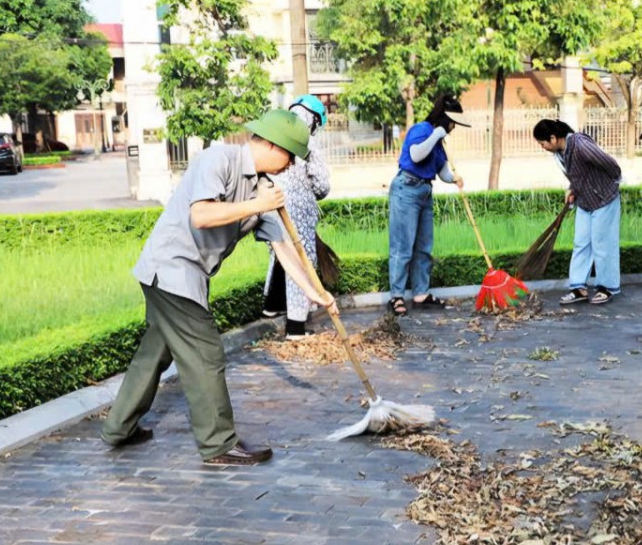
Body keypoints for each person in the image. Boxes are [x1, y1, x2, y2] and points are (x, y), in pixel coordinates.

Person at [102, 110, 338, 466]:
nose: (290, 166)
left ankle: (119, 427)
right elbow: (202, 214)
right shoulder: (217, 160)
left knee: (155, 353)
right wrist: (260, 204)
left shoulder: (263, 188)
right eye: (290, 156)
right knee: (205, 354)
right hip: (170, 270)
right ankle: (218, 444)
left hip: (186, 276)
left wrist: (314, 292)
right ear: (272, 145)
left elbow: (283, 250)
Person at [388, 93, 468, 316]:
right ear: (444, 119)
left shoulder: (440, 142)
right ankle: (396, 296)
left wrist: (453, 178)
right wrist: (436, 135)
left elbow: (441, 170)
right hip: (406, 189)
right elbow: (415, 156)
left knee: (424, 247)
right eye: (452, 123)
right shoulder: (422, 130)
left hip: (424, 192)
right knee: (402, 247)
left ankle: (421, 294)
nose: (453, 127)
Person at [263, 95, 331, 340]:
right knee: (301, 262)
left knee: (279, 256)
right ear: (314, 120)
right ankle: (296, 327)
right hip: (298, 209)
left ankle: (271, 307)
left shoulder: (275, 133)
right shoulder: (308, 141)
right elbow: (322, 185)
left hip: (269, 202)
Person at [533, 118, 622, 305]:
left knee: (602, 244)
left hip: (604, 199)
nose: (543, 147)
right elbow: (579, 173)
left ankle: (607, 288)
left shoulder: (580, 144)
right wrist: (572, 188)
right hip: (585, 202)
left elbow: (609, 163)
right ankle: (579, 288)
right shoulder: (561, 153)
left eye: (542, 143)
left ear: (553, 138)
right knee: (581, 243)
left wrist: (613, 181)